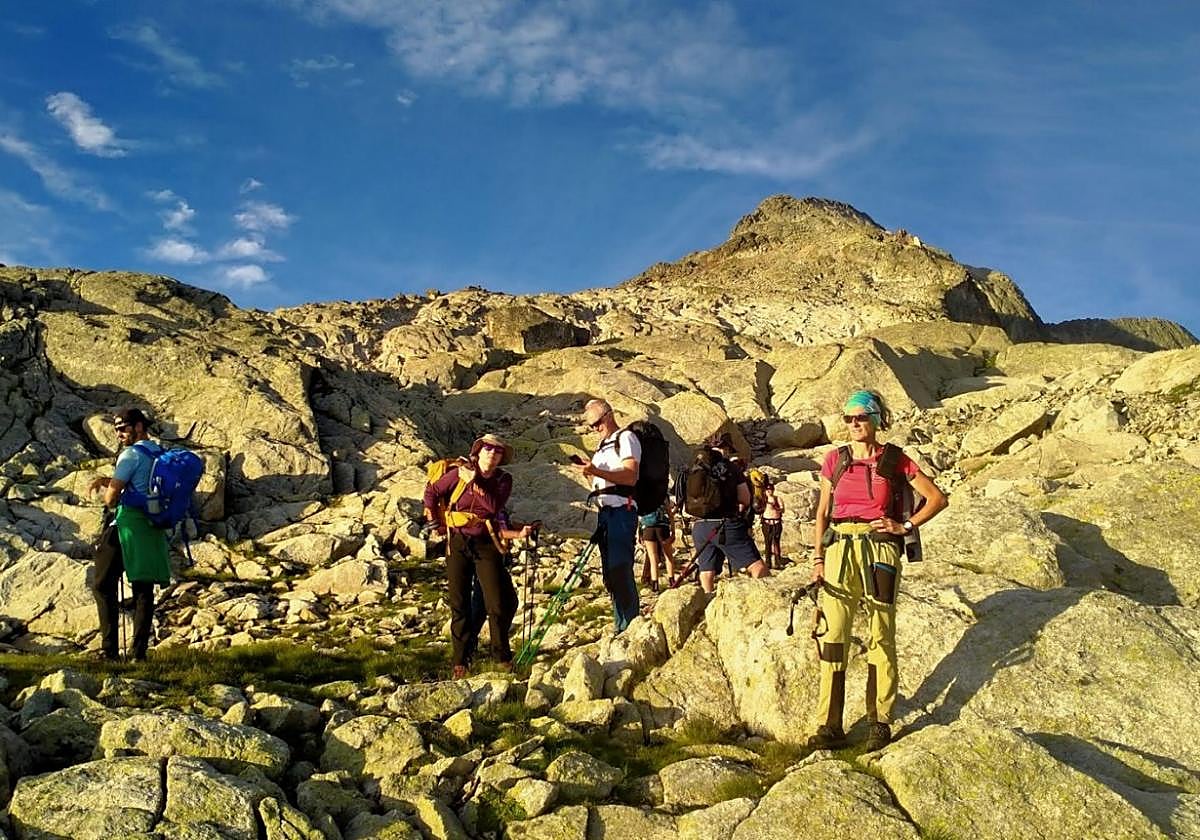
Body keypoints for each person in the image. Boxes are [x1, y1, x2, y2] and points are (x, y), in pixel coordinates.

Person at [807, 390, 947, 752]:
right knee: (834, 634)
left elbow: (937, 498)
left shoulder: (895, 459)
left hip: (879, 547)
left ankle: (879, 721)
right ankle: (829, 724)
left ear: (877, 419)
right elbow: (822, 512)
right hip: (839, 547)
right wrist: (818, 558)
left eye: (861, 417)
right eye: (848, 418)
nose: (853, 424)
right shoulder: (834, 460)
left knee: (881, 633)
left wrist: (905, 526)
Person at [424, 434, 533, 678]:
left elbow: (493, 507)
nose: (493, 454)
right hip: (457, 540)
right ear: (478, 452)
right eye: (488, 449)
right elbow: (432, 491)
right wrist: (433, 520)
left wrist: (475, 483)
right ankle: (461, 660)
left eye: (498, 451)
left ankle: (501, 655)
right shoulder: (458, 474)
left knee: (496, 602)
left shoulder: (503, 479)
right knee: (459, 602)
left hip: (486, 542)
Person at [88, 408, 172, 661]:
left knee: (103, 586)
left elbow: (113, 498)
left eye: (123, 428)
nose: (119, 434)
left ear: (138, 427)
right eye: (116, 430)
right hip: (152, 528)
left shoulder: (131, 455)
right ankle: (139, 655)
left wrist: (110, 493)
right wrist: (109, 479)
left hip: (126, 526)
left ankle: (109, 652)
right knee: (144, 589)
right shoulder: (160, 453)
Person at [576, 398, 641, 632]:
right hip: (605, 513)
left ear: (609, 416)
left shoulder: (626, 439)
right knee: (610, 573)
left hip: (622, 511)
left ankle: (630, 625)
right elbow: (599, 480)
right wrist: (590, 473)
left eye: (597, 423)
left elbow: (630, 476)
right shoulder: (603, 445)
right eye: (591, 426)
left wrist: (595, 470)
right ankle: (620, 622)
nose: (595, 429)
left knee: (620, 568)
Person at [693, 434, 771, 594]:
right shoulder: (730, 467)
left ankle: (707, 602)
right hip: (726, 526)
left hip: (700, 526)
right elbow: (745, 499)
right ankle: (762, 601)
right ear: (726, 449)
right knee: (757, 567)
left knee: (707, 570)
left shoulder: (696, 467)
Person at [638, 498, 676, 592]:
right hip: (662, 527)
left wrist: (639, 533)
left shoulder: (642, 495)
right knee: (668, 556)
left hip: (648, 528)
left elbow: (639, 516)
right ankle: (672, 581)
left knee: (652, 558)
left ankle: (655, 584)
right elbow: (670, 514)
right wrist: (673, 531)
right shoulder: (662, 494)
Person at [760, 482, 785, 569]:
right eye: (767, 490)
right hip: (766, 523)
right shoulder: (763, 500)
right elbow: (758, 509)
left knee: (776, 543)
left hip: (776, 522)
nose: (769, 492)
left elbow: (782, 510)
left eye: (770, 490)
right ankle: (768, 563)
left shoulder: (778, 499)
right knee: (767, 543)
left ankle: (778, 562)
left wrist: (775, 507)